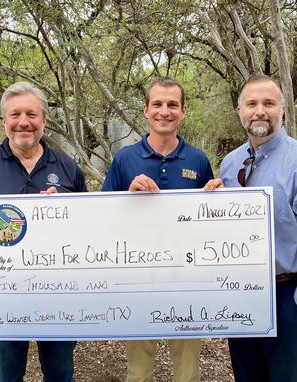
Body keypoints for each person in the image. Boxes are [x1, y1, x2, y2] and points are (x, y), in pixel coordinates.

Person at [0, 81, 86, 382]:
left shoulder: (67, 168)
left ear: (44, 121)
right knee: (6, 376)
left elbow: (85, 229)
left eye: (32, 114)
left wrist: (63, 212)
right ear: (5, 120)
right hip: (2, 294)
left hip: (59, 293)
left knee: (61, 374)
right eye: (15, 114)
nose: (24, 122)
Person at [217, 75, 297, 381]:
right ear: (240, 111)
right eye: (252, 104)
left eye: (269, 103)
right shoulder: (231, 164)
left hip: (285, 292)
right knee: (246, 374)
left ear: (282, 109)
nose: (260, 110)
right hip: (239, 290)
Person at [102, 76, 214, 382]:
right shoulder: (125, 158)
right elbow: (102, 217)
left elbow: (210, 220)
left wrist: (218, 195)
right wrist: (128, 195)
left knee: (188, 371)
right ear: (145, 110)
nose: (164, 111)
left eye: (172, 105)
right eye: (158, 104)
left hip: (187, 278)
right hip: (138, 279)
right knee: (138, 371)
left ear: (183, 111)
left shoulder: (198, 160)